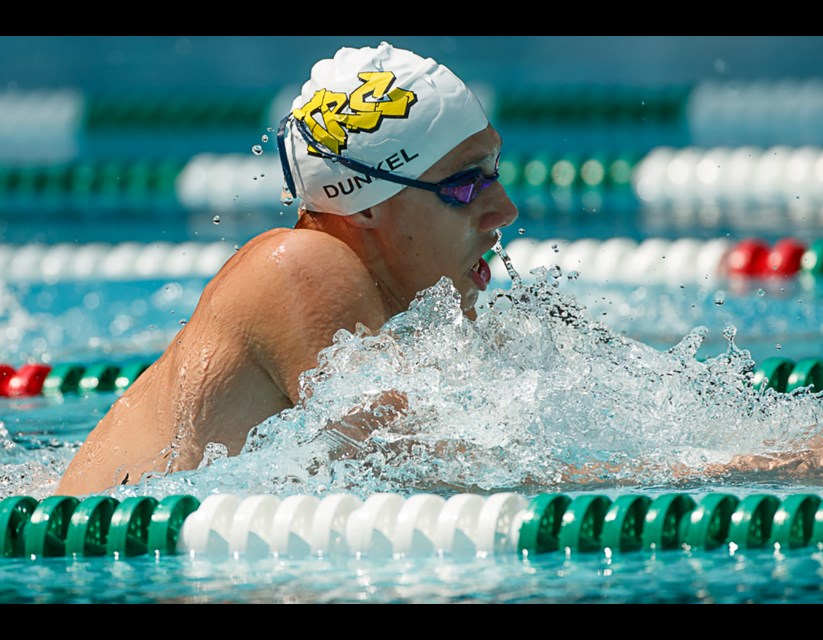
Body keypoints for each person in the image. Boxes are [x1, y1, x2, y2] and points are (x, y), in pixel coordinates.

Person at [57, 42, 518, 495]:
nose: (505, 209)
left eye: (495, 171)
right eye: (466, 185)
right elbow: (427, 475)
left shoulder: (387, 312)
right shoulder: (302, 267)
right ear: (363, 207)